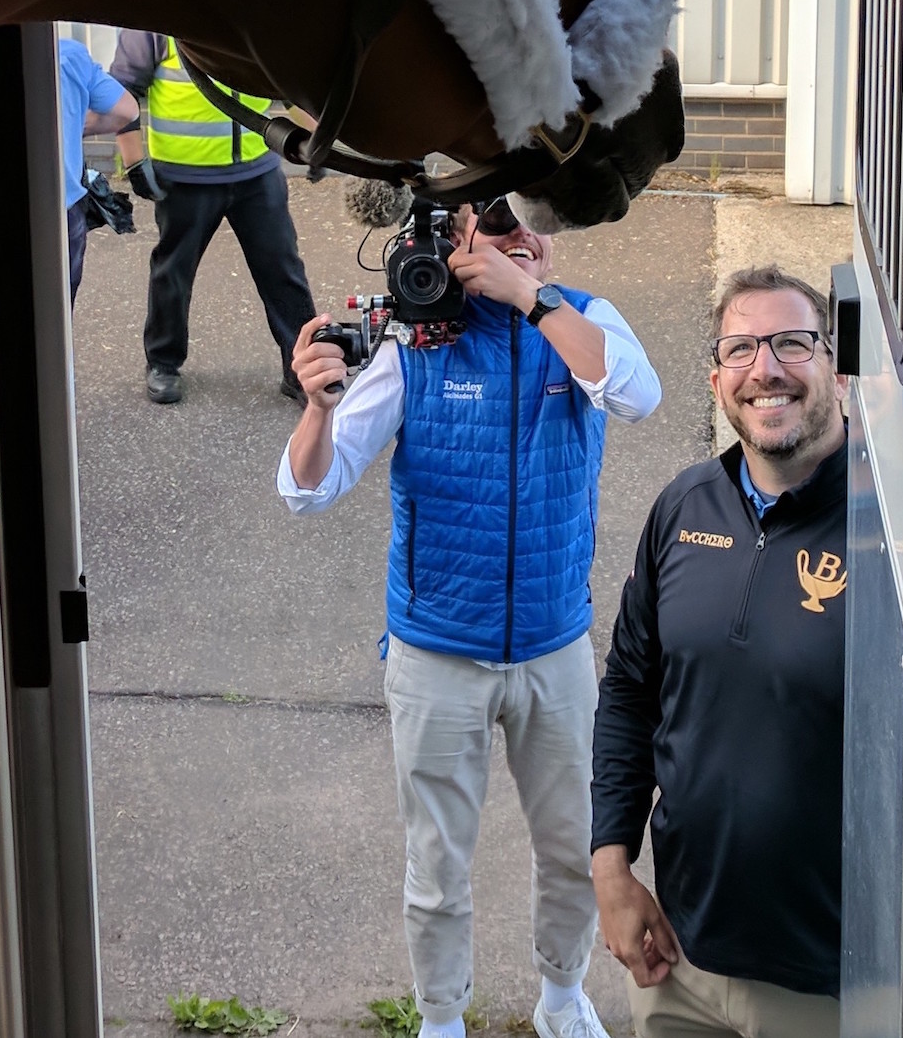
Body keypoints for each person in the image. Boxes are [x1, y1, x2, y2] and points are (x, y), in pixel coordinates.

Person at [283, 200, 664, 1038]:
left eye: (532, 222)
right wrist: (316, 407)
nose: (520, 235)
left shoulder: (582, 318)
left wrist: (533, 299)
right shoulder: (416, 343)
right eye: (495, 223)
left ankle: (561, 999)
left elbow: (636, 395)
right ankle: (440, 1019)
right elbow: (310, 489)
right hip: (436, 654)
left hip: (553, 645)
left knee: (575, 853)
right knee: (436, 866)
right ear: (454, 244)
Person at [589, 264, 849, 1038]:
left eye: (793, 343)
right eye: (741, 350)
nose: (765, 370)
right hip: (677, 962)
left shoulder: (889, 534)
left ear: (835, 363)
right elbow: (631, 691)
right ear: (715, 379)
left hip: (824, 985)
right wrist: (611, 868)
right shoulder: (683, 506)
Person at [109, 29, 318, 406]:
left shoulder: (249, 16)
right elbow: (121, 93)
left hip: (256, 173)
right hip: (184, 176)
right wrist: (134, 160)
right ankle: (163, 363)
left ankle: (301, 368)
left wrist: (319, 146)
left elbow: (287, 92)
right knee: (174, 272)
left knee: (283, 271)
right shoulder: (156, 21)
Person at [59, 33, 139, 304]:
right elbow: (126, 111)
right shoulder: (67, 55)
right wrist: (68, 127)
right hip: (63, 210)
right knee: (55, 318)